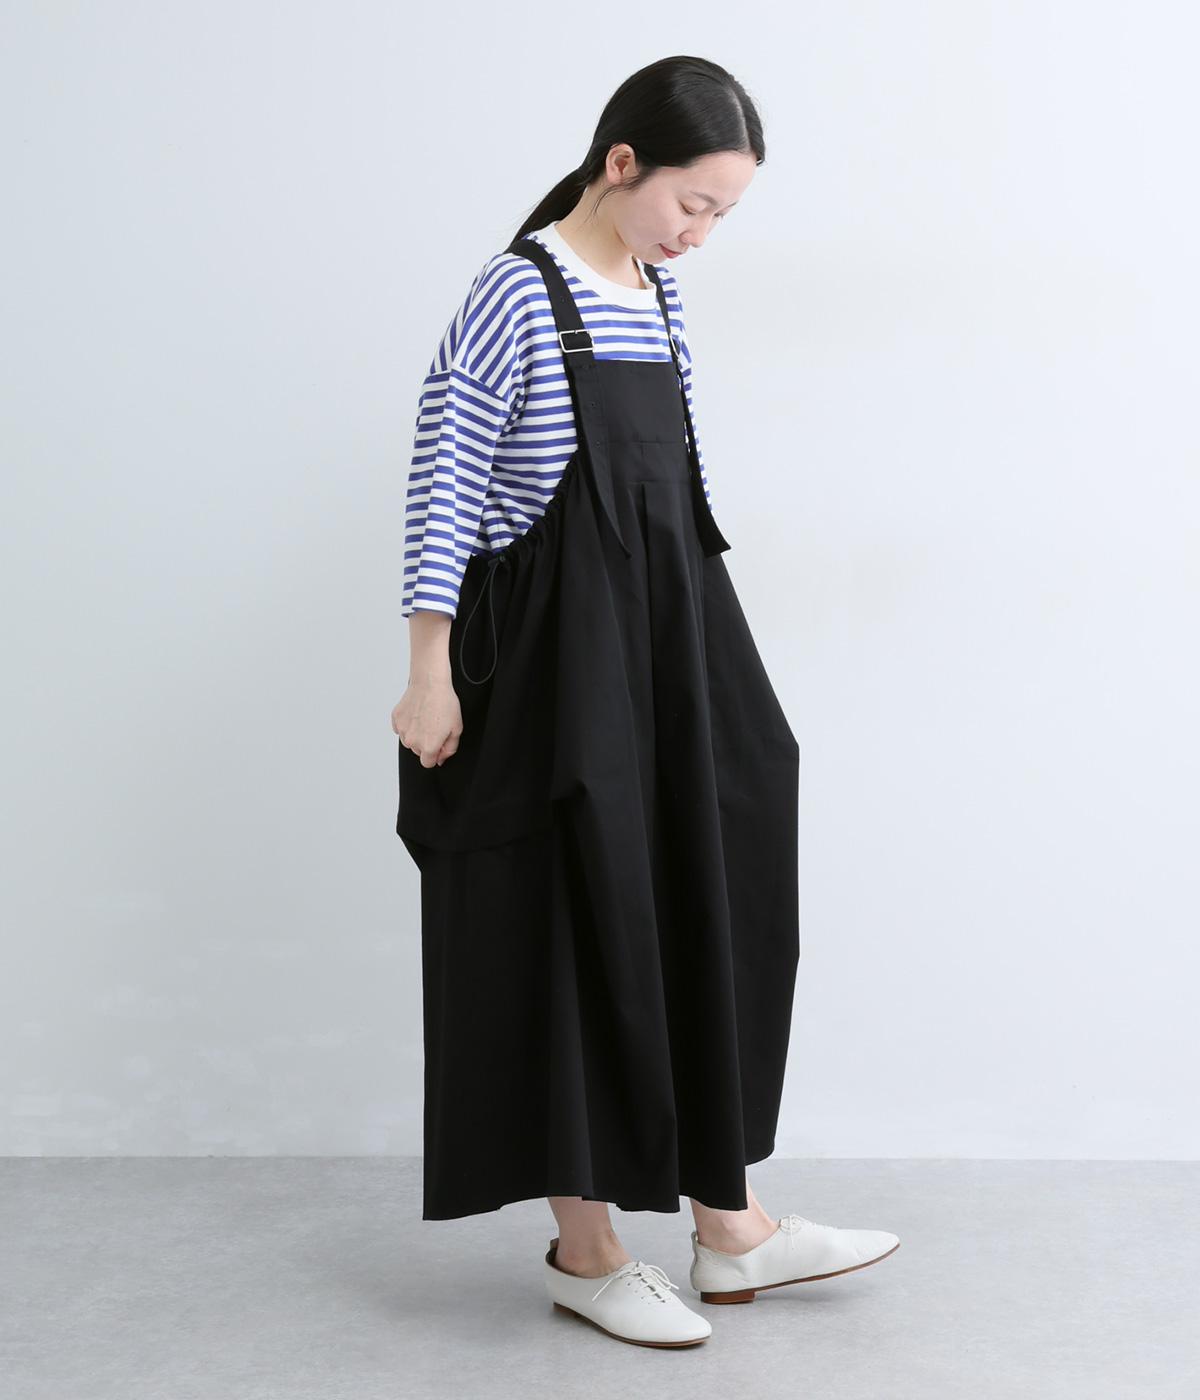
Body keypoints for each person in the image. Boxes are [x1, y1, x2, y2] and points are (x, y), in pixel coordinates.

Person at [391, 55, 899, 1348]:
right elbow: (446, 479)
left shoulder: (656, 292)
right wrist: (429, 669)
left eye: (724, 214)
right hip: (556, 657)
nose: (701, 234)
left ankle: (732, 1226)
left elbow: (673, 487)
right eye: (693, 203)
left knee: (721, 841)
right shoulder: (517, 293)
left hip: (665, 628)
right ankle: (588, 1249)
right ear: (621, 164)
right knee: (574, 911)